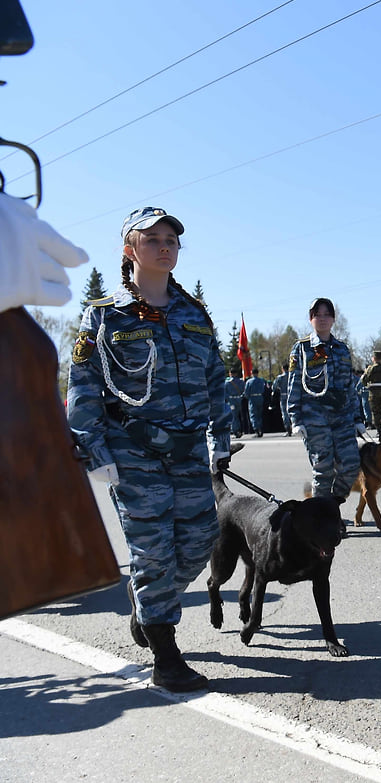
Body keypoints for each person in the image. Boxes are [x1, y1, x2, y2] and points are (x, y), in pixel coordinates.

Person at [66, 206, 230, 692]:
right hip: (133, 453)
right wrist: (93, 450)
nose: (164, 246)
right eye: (152, 238)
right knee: (153, 551)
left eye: (172, 240)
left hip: (187, 453)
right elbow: (81, 385)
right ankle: (165, 651)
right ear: (129, 249)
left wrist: (221, 439)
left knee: (201, 541)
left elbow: (217, 381)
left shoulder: (194, 313)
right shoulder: (103, 315)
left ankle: (148, 607)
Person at [285, 297, 364, 501]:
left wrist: (357, 418)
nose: (322, 319)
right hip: (315, 419)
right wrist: (295, 419)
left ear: (333, 319)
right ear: (310, 319)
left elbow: (349, 387)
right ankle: (323, 519)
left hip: (342, 418)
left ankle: (331, 507)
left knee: (351, 466)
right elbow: (293, 384)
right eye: (317, 315)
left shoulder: (342, 349)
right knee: (323, 470)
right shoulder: (302, 349)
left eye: (326, 314)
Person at [361, 350, 381, 432]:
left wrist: (366, 385)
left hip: (374, 392)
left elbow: (364, 379)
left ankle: (379, 429)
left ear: (373, 358)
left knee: (375, 411)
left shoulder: (371, 368)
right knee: (380, 409)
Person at [243, 366, 267, 437]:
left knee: (253, 415)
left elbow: (246, 392)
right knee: (259, 415)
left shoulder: (249, 381)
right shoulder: (261, 380)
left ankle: (256, 429)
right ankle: (260, 428)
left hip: (252, 398)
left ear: (252, 373)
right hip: (260, 397)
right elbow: (263, 389)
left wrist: (247, 397)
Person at [271, 362, 291, 435]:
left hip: (283, 395)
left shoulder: (280, 377)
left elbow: (274, 387)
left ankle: (288, 427)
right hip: (292, 394)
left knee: (284, 412)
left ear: (283, 369)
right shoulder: (292, 375)